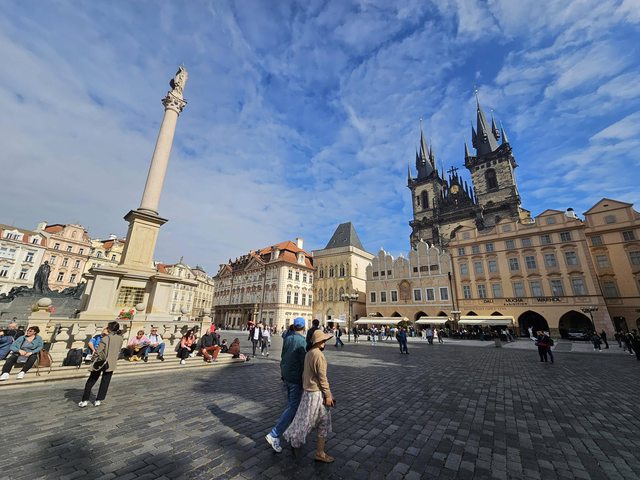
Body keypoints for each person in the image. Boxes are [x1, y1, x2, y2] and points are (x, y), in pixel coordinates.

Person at [283, 329, 335, 463]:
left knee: (322, 421)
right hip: (316, 394)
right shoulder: (319, 355)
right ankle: (295, 440)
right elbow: (322, 378)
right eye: (323, 340)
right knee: (307, 421)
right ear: (320, 342)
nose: (325, 342)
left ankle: (320, 452)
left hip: (308, 392)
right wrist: (328, 395)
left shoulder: (309, 353)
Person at [265, 317, 307, 453]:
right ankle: (274, 434)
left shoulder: (287, 338)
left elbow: (283, 356)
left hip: (286, 375)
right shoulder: (302, 341)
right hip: (295, 378)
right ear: (303, 327)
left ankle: (293, 433)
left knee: (291, 405)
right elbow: (304, 362)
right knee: (293, 407)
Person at [79, 321, 124, 407]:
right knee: (105, 382)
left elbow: (98, 352)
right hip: (111, 362)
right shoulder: (120, 338)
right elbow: (118, 349)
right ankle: (98, 400)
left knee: (91, 380)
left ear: (109, 329)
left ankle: (85, 400)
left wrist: (92, 358)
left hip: (100, 362)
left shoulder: (105, 339)